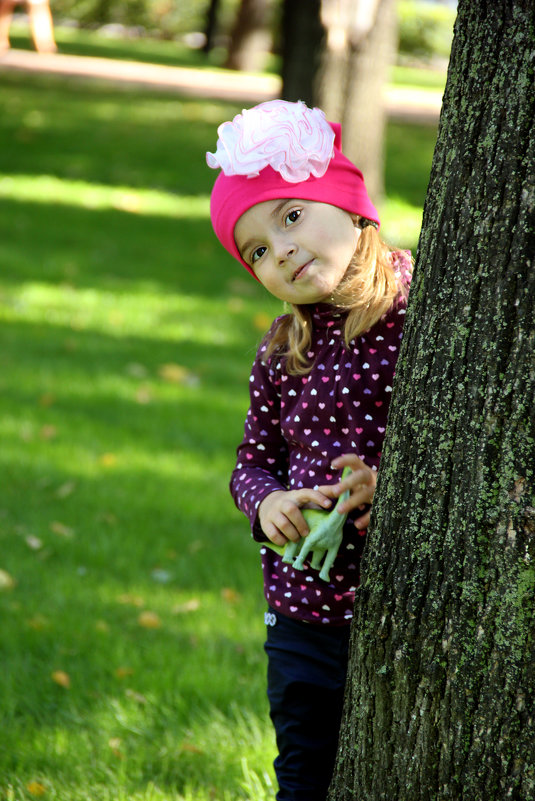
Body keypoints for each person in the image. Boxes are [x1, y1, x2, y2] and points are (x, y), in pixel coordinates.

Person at [206, 99, 411, 801]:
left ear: (350, 204)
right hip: (301, 610)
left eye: (290, 216)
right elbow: (249, 462)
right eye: (256, 248)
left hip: (397, 601)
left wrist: (384, 481)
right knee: (304, 772)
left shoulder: (419, 313)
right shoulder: (281, 349)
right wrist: (268, 504)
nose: (281, 250)